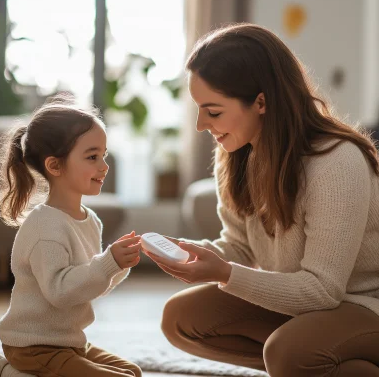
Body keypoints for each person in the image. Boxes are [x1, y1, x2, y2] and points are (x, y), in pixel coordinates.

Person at [143, 23, 379, 376]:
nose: (200, 125)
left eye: (214, 111)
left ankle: (298, 356)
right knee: (181, 319)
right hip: (303, 306)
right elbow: (239, 246)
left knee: (288, 352)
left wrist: (224, 273)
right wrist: (197, 255)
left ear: (262, 101)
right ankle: (306, 358)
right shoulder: (238, 154)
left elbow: (323, 291)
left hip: (363, 303)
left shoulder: (336, 162)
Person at [0, 94, 142, 377]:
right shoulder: (45, 227)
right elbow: (61, 293)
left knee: (132, 372)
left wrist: (118, 264)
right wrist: (108, 262)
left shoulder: (90, 221)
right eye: (92, 157)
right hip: (33, 345)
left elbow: (89, 286)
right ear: (54, 166)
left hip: (69, 342)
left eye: (103, 155)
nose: (104, 166)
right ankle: (3, 371)